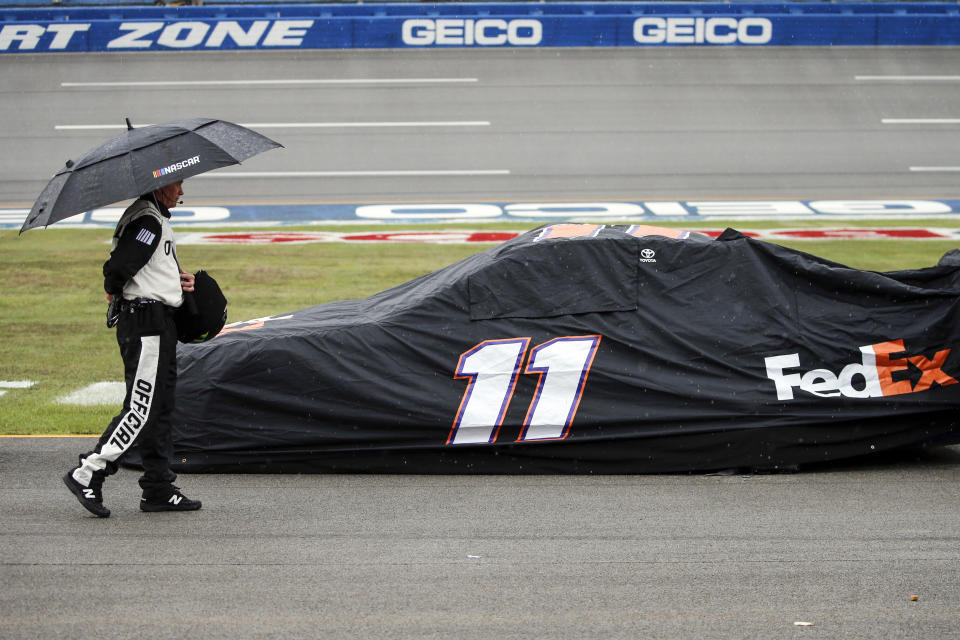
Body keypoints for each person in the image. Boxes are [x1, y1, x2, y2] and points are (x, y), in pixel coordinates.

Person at [62, 179, 201, 517]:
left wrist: (181, 280)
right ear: (161, 187)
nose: (181, 192)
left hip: (156, 323)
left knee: (160, 408)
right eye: (177, 185)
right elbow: (119, 267)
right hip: (147, 325)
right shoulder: (147, 221)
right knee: (141, 408)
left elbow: (146, 268)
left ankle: (158, 487)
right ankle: (88, 472)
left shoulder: (152, 218)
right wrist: (114, 287)